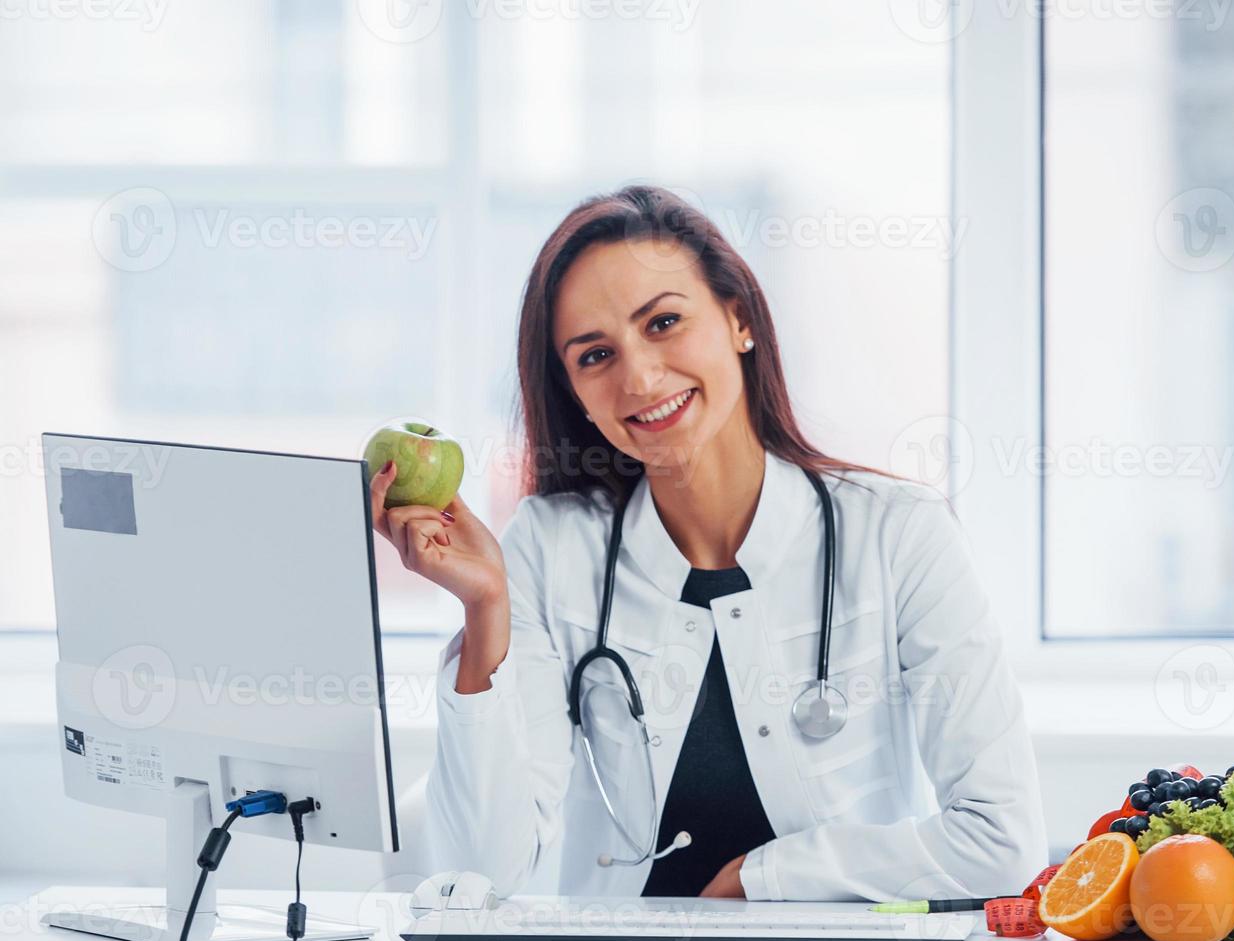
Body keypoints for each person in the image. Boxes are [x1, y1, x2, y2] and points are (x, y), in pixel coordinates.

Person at [369, 185, 1046, 902]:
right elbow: (482, 876)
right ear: (573, 390)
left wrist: (768, 878)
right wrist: (486, 615)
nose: (639, 376)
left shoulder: (898, 531)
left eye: (663, 322)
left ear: (740, 319)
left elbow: (1001, 841)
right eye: (595, 355)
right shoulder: (549, 546)